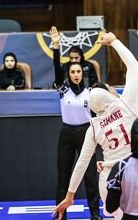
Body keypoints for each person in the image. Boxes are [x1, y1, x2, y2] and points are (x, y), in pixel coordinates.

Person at [53, 31, 138, 220]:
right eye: (109, 88)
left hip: (110, 180)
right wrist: (115, 42)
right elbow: (133, 65)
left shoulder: (94, 126)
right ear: (107, 94)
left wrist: (70, 195)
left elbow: (81, 163)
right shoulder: (127, 103)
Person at [50, 26, 102, 220]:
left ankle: (95, 214)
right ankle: (61, 214)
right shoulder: (63, 89)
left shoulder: (91, 91)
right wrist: (56, 46)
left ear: (83, 72)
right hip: (67, 134)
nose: (76, 74)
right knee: (63, 175)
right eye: (72, 71)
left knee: (90, 176)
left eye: (79, 71)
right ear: (68, 74)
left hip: (87, 134)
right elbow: (57, 71)